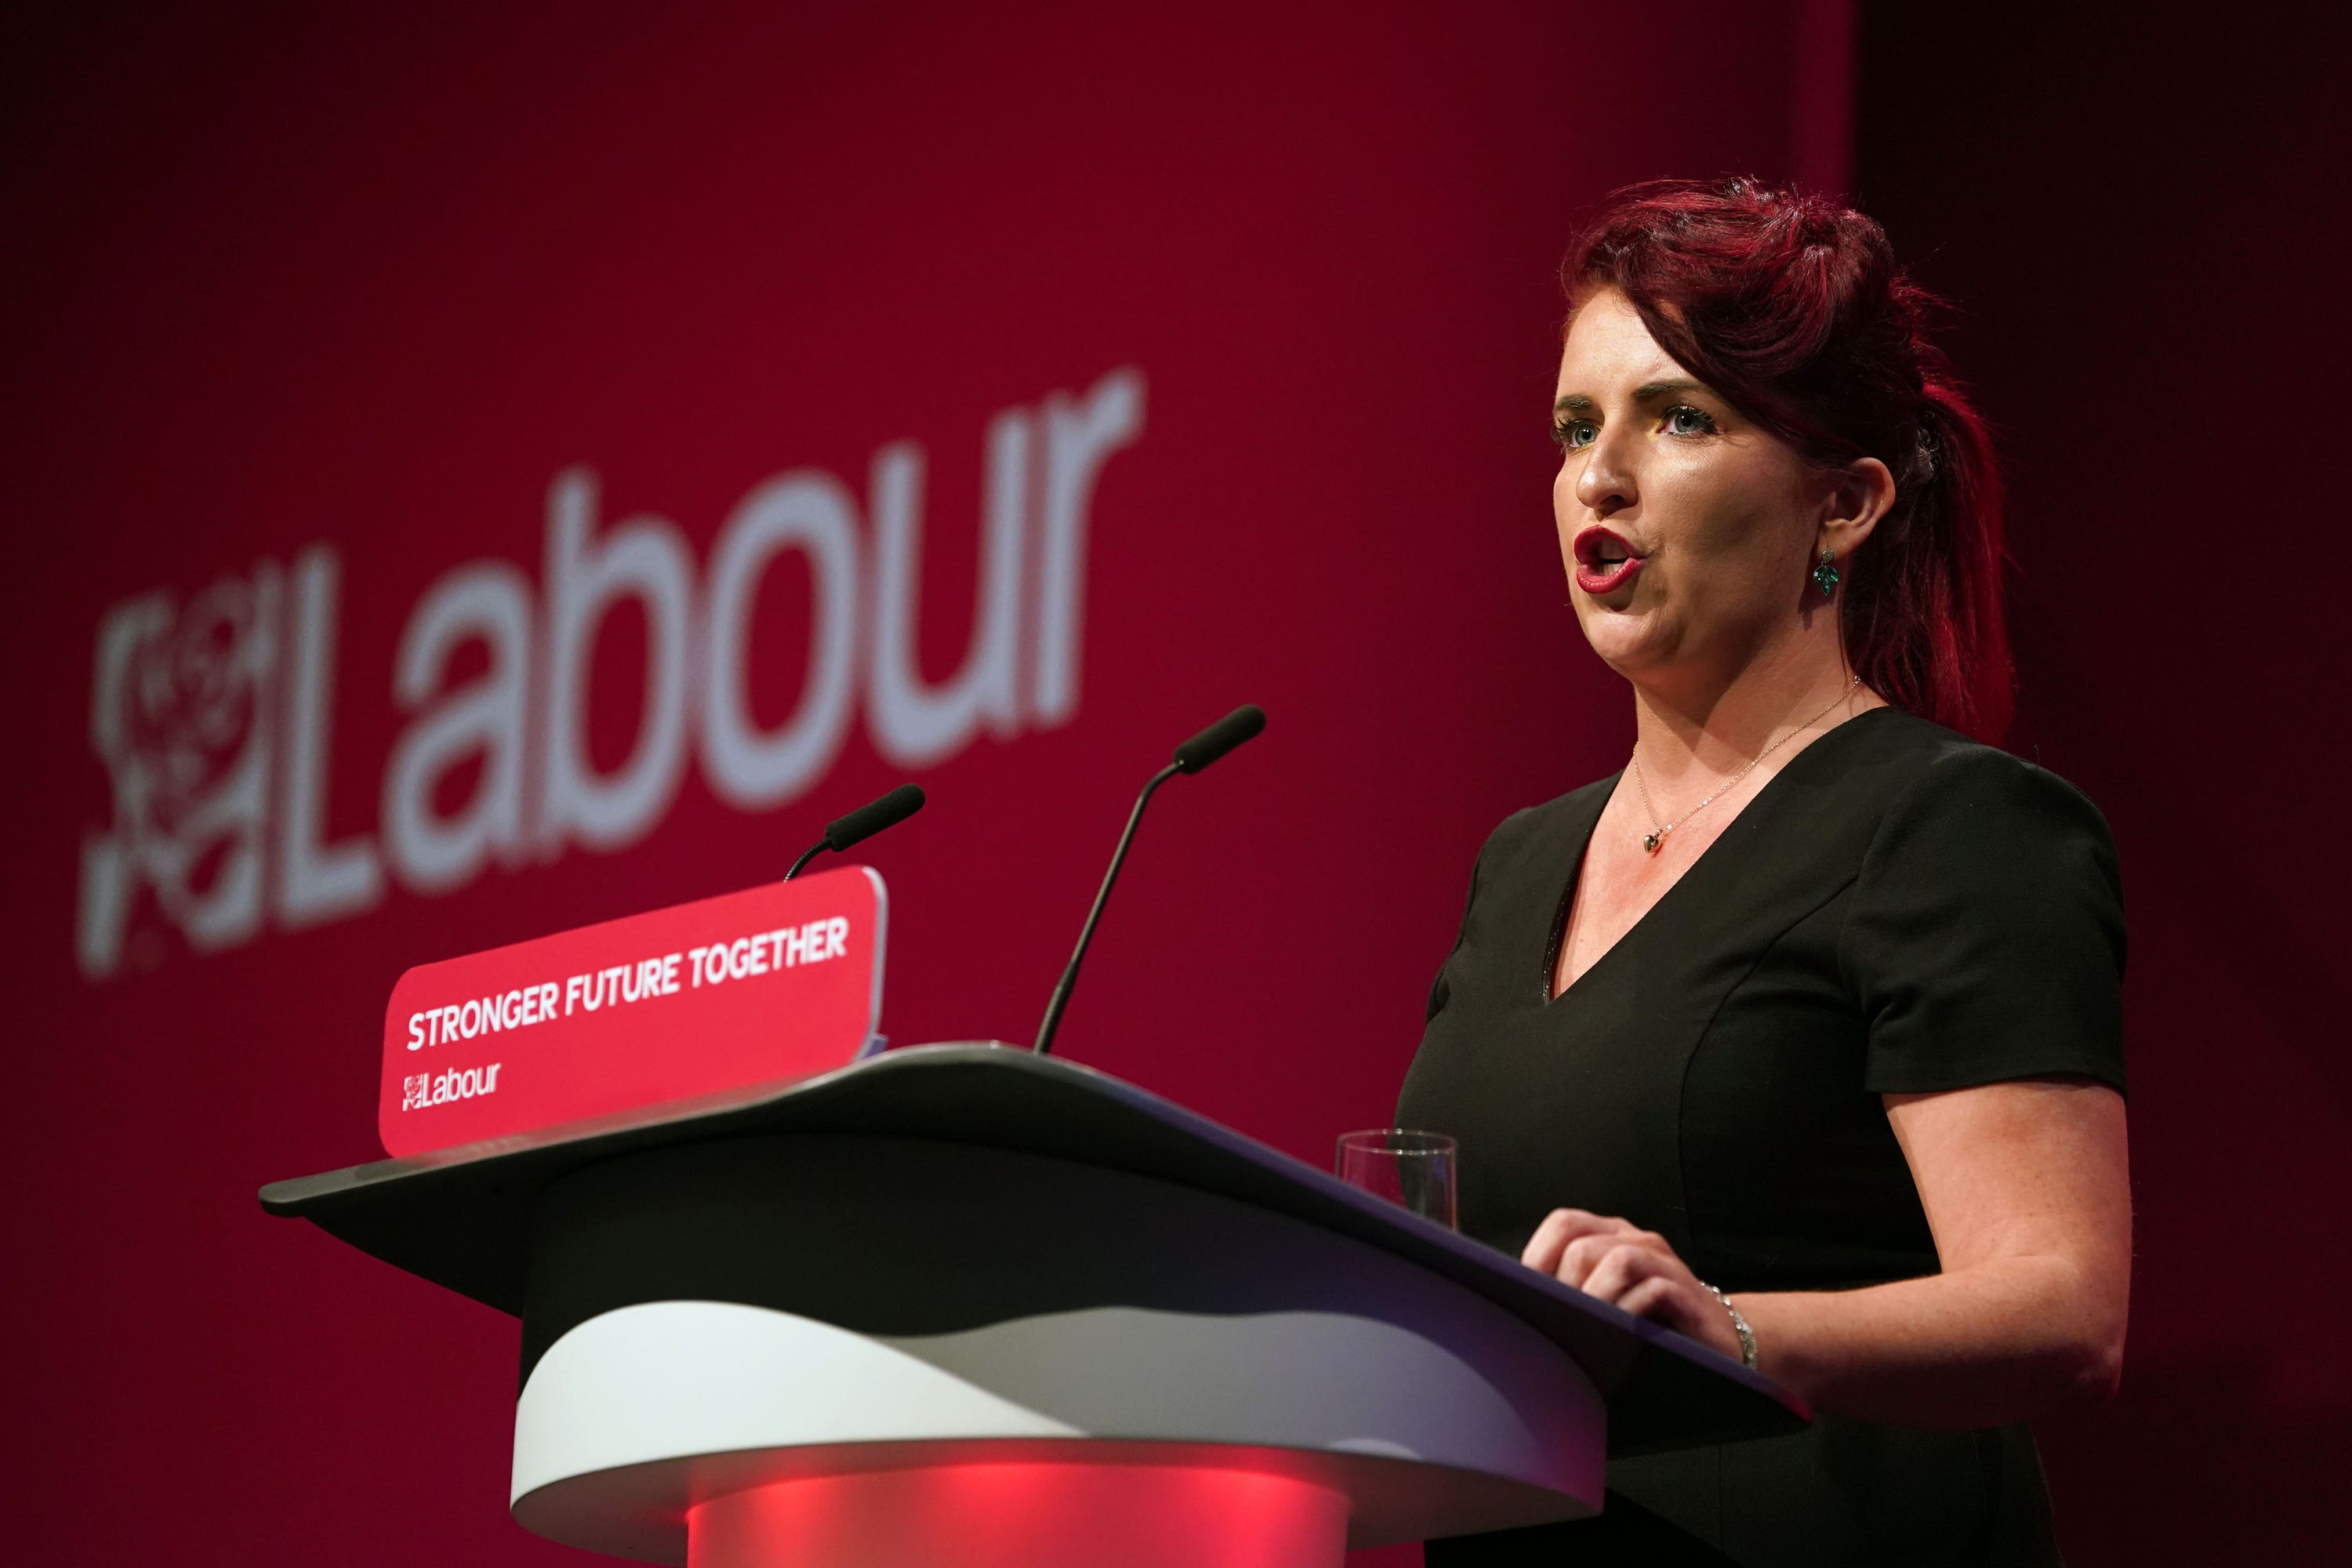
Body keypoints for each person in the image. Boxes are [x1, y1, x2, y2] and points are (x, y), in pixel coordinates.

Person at [1397, 177, 2130, 1566]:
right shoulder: (1523, 861)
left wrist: (1729, 1328)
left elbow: (2063, 1309)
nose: (1597, 478)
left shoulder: (1947, 825)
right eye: (1574, 428)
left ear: (1844, 506)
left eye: (1678, 419)